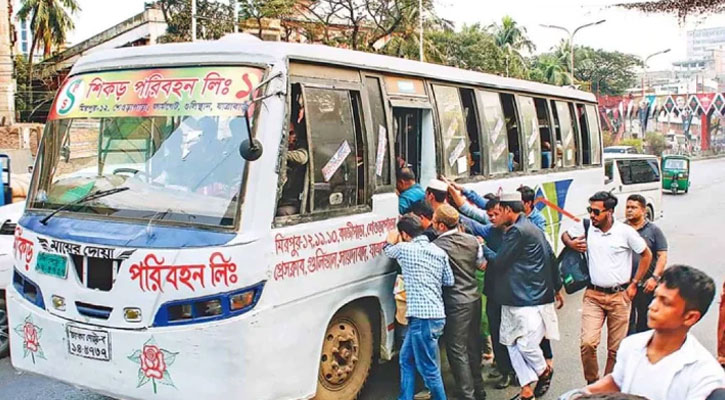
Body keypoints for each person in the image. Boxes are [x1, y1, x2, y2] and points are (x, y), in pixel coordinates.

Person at [563, 265, 725, 400]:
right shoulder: (632, 345)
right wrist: (579, 394)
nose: (653, 306)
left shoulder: (705, 375)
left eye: (665, 302)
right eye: (656, 297)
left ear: (690, 317)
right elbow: (616, 382)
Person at [562, 191, 653, 384]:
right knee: (588, 343)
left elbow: (646, 255)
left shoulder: (625, 232)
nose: (592, 215)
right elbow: (564, 235)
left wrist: (635, 283)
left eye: (596, 212)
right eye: (590, 210)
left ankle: (606, 387)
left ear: (610, 212)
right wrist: (571, 243)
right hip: (593, 295)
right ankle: (593, 382)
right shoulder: (586, 226)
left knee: (615, 349)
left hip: (620, 297)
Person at [482, 192, 562, 400]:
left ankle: (544, 370)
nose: (495, 218)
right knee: (510, 343)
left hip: (525, 298)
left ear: (508, 210)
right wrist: (557, 285)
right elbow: (551, 256)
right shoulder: (530, 226)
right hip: (515, 296)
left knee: (525, 344)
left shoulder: (517, 231)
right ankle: (527, 391)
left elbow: (499, 262)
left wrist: (481, 246)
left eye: (498, 213)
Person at [384, 214, 454, 400]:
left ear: (405, 234)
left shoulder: (405, 249)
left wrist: (391, 237)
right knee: (405, 359)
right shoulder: (439, 252)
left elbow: (387, 250)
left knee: (429, 369)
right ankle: (404, 397)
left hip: (421, 319)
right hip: (437, 315)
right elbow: (449, 280)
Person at [432, 205, 487, 400]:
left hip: (455, 303)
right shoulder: (473, 240)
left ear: (440, 224)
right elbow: (481, 264)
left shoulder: (437, 247)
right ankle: (479, 389)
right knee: (473, 345)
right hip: (474, 298)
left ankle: (466, 394)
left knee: (457, 350)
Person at [624, 194, 668, 334]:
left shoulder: (654, 231)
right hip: (625, 285)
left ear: (643, 210)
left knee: (645, 323)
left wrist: (654, 278)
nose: (629, 210)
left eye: (634, 207)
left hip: (646, 286)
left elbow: (662, 256)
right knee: (625, 323)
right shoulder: (621, 229)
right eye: (627, 207)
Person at [276, 122, 309, 216]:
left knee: (282, 212)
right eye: (289, 134)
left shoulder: (300, 145)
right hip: (278, 199)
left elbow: (302, 157)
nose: (293, 136)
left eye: (293, 133)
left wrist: (281, 155)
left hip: (292, 201)